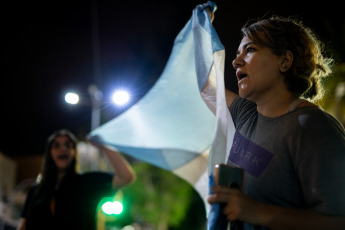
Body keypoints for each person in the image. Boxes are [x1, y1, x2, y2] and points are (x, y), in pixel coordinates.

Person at [206, 14, 345, 230]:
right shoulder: (247, 114)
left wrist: (259, 213)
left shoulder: (313, 127)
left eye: (250, 49)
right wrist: (202, 29)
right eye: (237, 53)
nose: (236, 61)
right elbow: (207, 89)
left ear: (284, 61)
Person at [16, 129, 136, 230]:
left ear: (74, 153)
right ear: (49, 153)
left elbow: (125, 177)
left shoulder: (87, 182)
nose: (63, 149)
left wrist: (103, 146)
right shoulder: (35, 191)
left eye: (68, 145)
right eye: (56, 145)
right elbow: (23, 226)